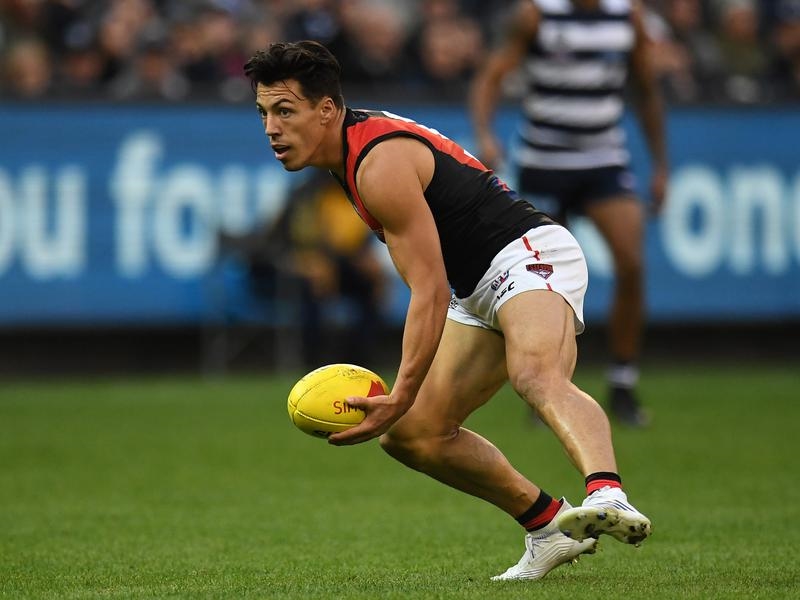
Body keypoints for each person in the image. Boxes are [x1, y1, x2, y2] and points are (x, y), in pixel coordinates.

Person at [244, 40, 651, 582]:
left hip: (527, 254)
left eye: (284, 111)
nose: (271, 128)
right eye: (264, 113)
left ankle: (607, 493)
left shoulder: (377, 163)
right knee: (413, 435)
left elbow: (429, 289)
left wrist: (401, 392)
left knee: (535, 374)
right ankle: (548, 527)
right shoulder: (350, 155)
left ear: (326, 109)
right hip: (476, 286)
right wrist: (404, 406)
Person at [470, 0, 669, 427]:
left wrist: (660, 165)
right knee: (541, 279)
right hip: (545, 161)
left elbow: (646, 89)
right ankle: (541, 382)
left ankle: (622, 381)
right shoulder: (537, 14)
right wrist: (485, 134)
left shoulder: (627, 16)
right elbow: (491, 77)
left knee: (631, 263)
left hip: (604, 160)